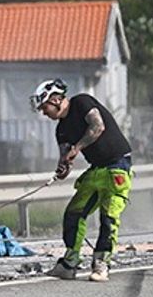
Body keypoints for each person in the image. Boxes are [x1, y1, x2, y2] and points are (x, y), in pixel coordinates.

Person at [32, 79, 133, 282]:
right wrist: (63, 168)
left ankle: (101, 264)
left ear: (57, 99)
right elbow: (65, 158)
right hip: (96, 171)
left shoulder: (82, 102)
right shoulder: (61, 130)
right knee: (74, 214)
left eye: (45, 107)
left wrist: (76, 149)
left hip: (117, 167)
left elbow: (98, 126)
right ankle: (69, 263)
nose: (44, 113)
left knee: (109, 216)